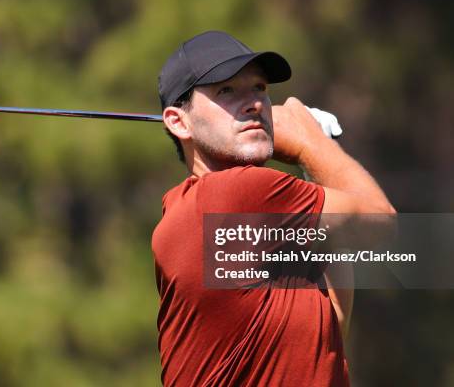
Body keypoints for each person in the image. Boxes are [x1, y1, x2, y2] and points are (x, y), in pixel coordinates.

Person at [151, 30, 396, 386]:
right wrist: (309, 143)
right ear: (178, 121)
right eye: (226, 91)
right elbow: (381, 223)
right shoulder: (238, 192)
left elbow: (329, 334)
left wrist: (314, 161)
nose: (253, 104)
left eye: (259, 89)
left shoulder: (192, 210)